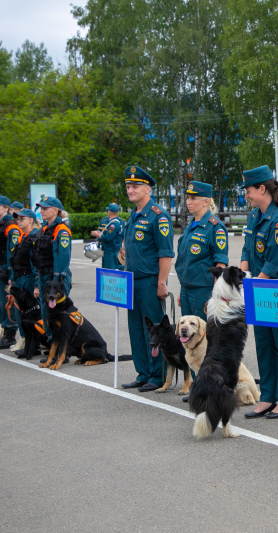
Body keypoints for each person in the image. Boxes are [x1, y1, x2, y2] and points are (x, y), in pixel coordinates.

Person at [240, 166, 278, 420]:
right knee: (264, 344)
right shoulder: (255, 216)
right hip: (258, 287)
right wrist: (243, 276)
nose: (247, 195)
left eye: (249, 190)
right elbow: (246, 249)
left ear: (262, 189)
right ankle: (267, 395)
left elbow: (274, 262)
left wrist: (253, 285)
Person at [121, 165, 174, 393]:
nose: (130, 190)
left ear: (147, 189)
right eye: (128, 186)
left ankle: (158, 374)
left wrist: (162, 282)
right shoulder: (133, 216)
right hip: (131, 281)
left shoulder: (158, 217)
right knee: (136, 328)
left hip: (150, 281)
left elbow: (165, 253)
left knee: (155, 330)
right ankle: (143, 372)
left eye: (135, 186)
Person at [175, 181, 227, 320]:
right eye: (188, 198)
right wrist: (182, 289)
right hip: (187, 289)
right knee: (189, 337)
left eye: (193, 198)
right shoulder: (190, 226)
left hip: (203, 291)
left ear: (206, 202)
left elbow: (220, 264)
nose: (188, 202)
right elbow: (186, 262)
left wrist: (216, 295)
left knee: (204, 335)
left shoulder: (215, 227)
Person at [32, 196, 72, 345]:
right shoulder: (44, 229)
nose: (42, 211)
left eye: (45, 208)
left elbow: (63, 256)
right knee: (46, 313)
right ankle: (52, 344)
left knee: (59, 315)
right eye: (41, 208)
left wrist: (58, 279)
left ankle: (63, 348)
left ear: (55, 210)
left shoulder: (61, 230)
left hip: (55, 278)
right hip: (44, 276)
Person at [0, 195, 22, 350]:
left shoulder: (10, 226)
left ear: (6, 208)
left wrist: (10, 272)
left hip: (4, 268)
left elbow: (12, 252)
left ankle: (9, 335)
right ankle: (5, 332)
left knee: (6, 303)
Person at [9, 208, 42, 354]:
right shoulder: (24, 236)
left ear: (30, 220)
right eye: (17, 219)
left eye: (22, 219)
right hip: (21, 278)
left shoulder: (34, 237)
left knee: (31, 314)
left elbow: (35, 262)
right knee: (23, 313)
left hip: (29, 278)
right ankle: (29, 344)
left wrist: (36, 284)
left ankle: (33, 345)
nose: (18, 221)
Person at [92, 203, 124, 270]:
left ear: (109, 212)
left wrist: (97, 234)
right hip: (111, 250)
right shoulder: (112, 221)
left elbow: (107, 238)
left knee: (110, 272)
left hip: (111, 252)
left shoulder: (113, 224)